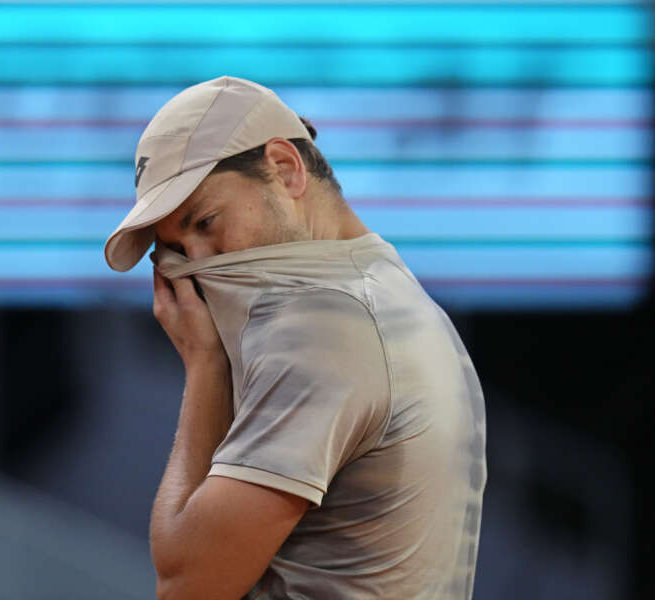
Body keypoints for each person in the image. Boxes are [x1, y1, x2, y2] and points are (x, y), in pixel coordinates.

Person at [104, 76, 487, 600]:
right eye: (175, 251)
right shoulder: (388, 290)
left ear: (284, 169)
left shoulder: (326, 328)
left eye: (206, 222)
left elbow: (186, 584)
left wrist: (205, 365)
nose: (198, 266)